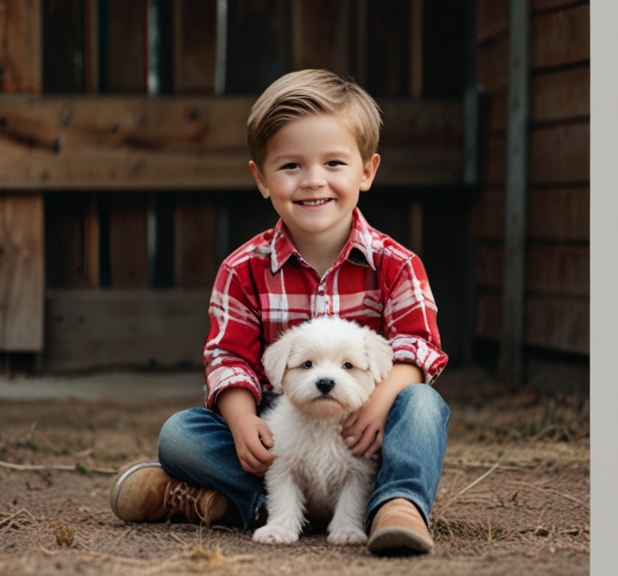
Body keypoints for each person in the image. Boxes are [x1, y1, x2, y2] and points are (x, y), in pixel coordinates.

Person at [109, 69, 450, 556]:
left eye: (334, 162)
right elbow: (228, 358)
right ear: (261, 179)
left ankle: (396, 504)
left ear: (366, 171)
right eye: (291, 166)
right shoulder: (242, 269)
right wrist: (243, 423)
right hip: (283, 434)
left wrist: (379, 403)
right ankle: (256, 502)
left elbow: (421, 346)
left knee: (423, 406)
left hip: (366, 434)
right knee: (180, 435)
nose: (313, 181)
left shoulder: (396, 264)